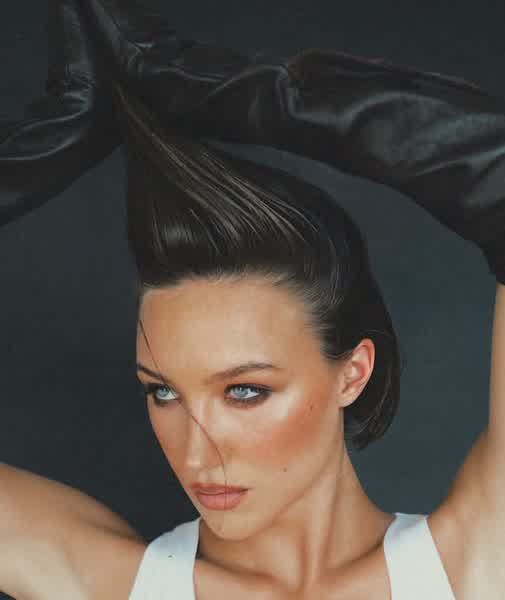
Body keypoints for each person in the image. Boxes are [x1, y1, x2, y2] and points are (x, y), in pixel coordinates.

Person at [1, 1, 504, 599]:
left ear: (352, 373)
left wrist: (202, 84)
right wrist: (57, 133)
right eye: (163, 392)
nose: (197, 451)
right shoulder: (104, 583)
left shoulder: (473, 566)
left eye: (244, 391)